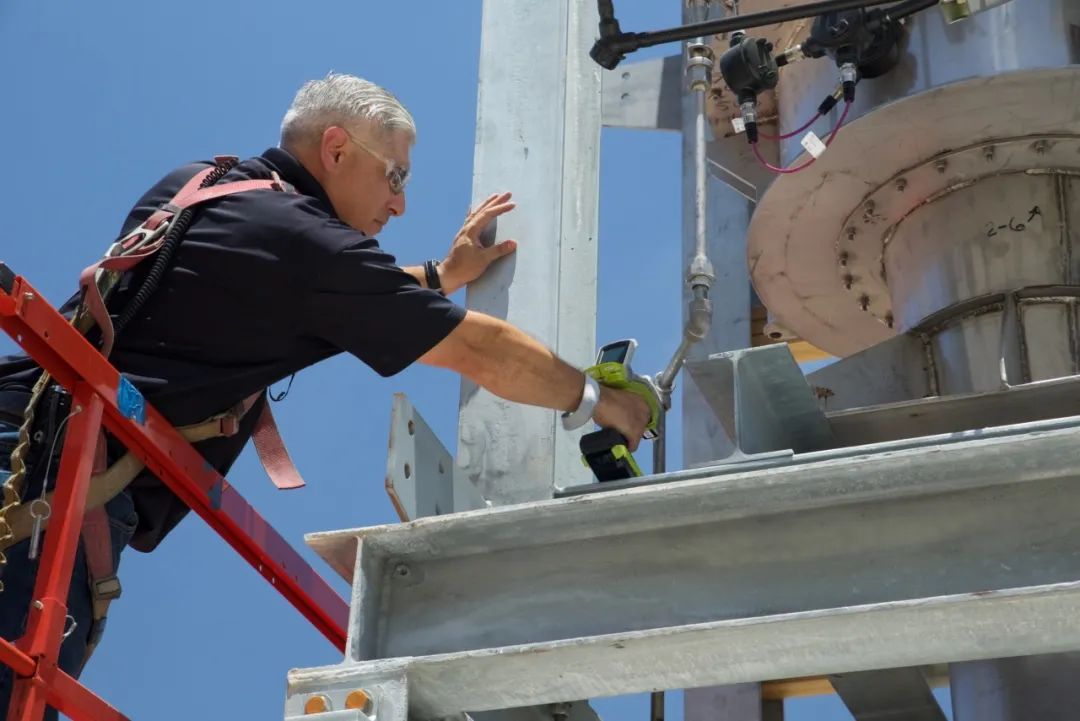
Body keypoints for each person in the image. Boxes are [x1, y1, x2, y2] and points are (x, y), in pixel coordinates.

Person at [0, 73, 650, 717]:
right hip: (47, 484)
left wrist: (437, 275)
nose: (399, 206)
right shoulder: (298, 241)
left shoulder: (206, 184)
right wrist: (598, 399)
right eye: (394, 176)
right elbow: (477, 350)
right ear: (336, 150)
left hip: (33, 442)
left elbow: (315, 282)